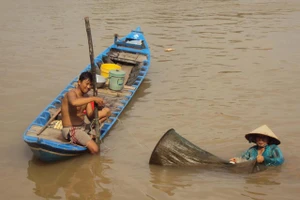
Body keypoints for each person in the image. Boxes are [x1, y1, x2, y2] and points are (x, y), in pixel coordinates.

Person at [61, 71, 111, 154]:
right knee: (95, 149)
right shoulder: (71, 94)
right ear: (79, 82)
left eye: (90, 85)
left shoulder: (86, 97)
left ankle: (90, 136)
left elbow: (90, 116)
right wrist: (93, 98)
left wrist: (98, 107)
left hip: (83, 126)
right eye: (86, 84)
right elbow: (74, 102)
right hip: (72, 129)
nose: (88, 87)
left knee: (106, 114)